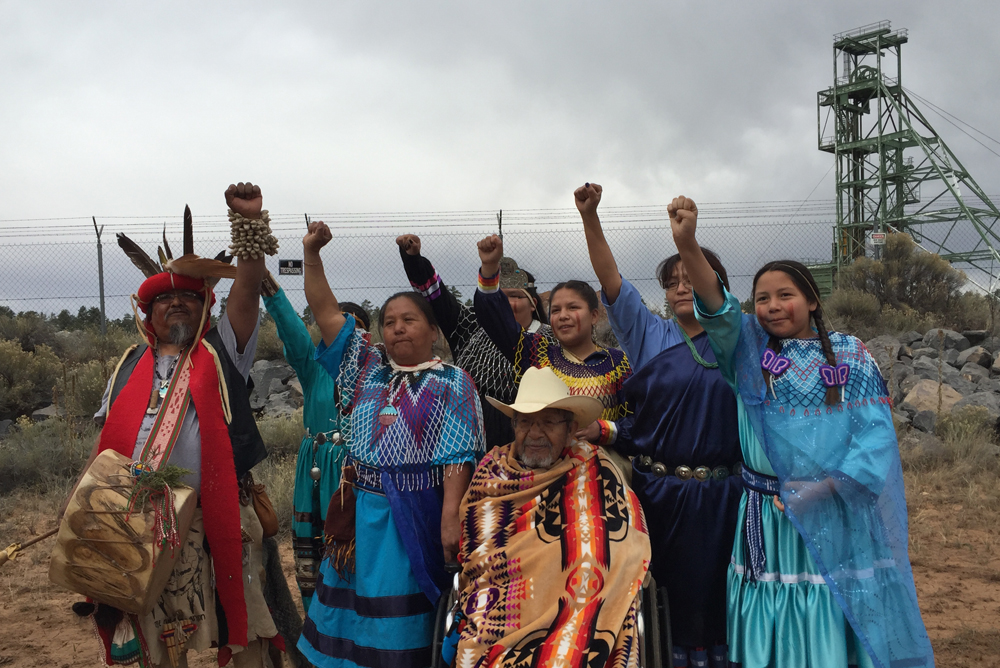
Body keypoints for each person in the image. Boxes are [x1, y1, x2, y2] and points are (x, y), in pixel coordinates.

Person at [671, 195, 934, 668]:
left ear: (813, 300)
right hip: (769, 519)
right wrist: (688, 244)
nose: (772, 307)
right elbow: (719, 309)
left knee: (835, 605)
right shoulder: (747, 354)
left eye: (785, 295)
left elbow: (874, 441)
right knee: (778, 621)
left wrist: (821, 490)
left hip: (836, 510)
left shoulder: (853, 354)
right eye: (763, 298)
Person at [65, 183, 280, 667]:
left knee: (244, 631)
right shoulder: (126, 366)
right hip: (143, 518)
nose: (176, 305)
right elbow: (106, 448)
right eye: (165, 300)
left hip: (218, 509)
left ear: (204, 307)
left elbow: (245, 289)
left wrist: (247, 222)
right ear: (149, 315)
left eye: (188, 297)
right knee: (156, 636)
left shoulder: (225, 353)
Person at [297, 221, 486, 668]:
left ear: (434, 331)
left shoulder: (452, 382)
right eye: (390, 322)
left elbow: (458, 455)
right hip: (361, 511)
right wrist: (311, 255)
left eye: (410, 320)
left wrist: (449, 517)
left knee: (399, 620)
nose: (398, 329)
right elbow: (325, 313)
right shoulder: (365, 368)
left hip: (415, 515)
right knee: (350, 615)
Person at [575, 183, 742, 668]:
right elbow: (610, 278)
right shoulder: (647, 334)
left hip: (724, 497)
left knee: (720, 596)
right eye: (672, 282)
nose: (682, 286)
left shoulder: (738, 338)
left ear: (717, 285)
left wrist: (687, 241)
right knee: (661, 597)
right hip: (658, 495)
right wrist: (590, 216)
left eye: (692, 276)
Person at [452, 366, 651, 668]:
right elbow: (478, 552)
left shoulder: (597, 468)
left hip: (580, 613)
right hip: (500, 601)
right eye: (525, 423)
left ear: (571, 429)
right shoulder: (491, 475)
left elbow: (625, 542)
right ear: (514, 425)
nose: (534, 433)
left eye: (547, 423)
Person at [261, 277, 370, 611]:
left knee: (355, 546)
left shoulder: (375, 371)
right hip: (317, 471)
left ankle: (358, 616)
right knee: (314, 548)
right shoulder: (314, 368)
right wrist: (273, 295)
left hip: (355, 473)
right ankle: (318, 617)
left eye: (352, 332)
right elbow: (293, 333)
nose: (344, 339)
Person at [473, 234, 631, 449]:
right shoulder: (535, 354)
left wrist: (603, 430)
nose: (563, 315)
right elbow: (495, 319)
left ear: (594, 316)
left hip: (602, 470)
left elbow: (639, 423)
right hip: (544, 466)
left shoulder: (618, 363)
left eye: (573, 308)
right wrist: (489, 268)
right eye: (555, 310)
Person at [396, 233, 551, 447]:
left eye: (514, 296)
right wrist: (414, 259)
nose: (504, 302)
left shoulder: (551, 339)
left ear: (533, 303)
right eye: (499, 295)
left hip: (534, 435)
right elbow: (437, 298)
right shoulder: (468, 326)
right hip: (471, 435)